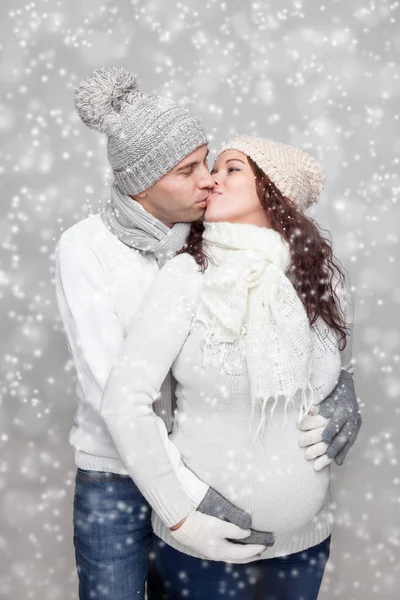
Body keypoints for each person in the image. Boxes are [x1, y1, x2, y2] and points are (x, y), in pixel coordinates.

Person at [55, 65, 361, 599]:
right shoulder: (90, 250)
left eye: (212, 162)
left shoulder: (215, 234)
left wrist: (338, 388)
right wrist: (181, 509)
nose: (208, 179)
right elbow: (118, 395)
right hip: (119, 477)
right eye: (189, 170)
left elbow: (295, 334)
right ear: (143, 183)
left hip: (224, 479)